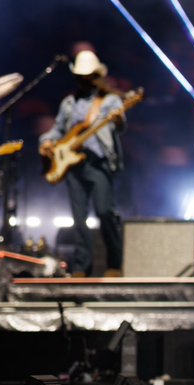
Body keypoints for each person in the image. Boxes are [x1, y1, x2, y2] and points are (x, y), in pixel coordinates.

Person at [39, 50, 126, 278]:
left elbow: (119, 125)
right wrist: (47, 140)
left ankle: (114, 264)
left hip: (99, 163)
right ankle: (81, 267)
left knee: (104, 212)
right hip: (73, 165)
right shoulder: (69, 102)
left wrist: (117, 121)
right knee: (78, 219)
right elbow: (58, 129)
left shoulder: (109, 101)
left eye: (87, 76)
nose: (83, 80)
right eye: (80, 76)